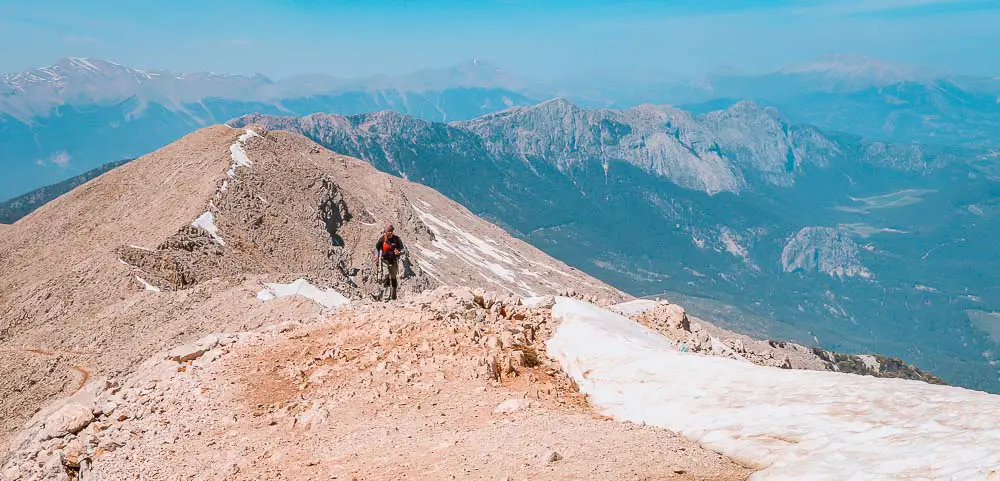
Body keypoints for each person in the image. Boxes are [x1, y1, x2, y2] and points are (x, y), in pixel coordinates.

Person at [373, 224, 404, 301]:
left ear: (392, 231)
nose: (388, 233)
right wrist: (376, 256)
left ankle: (393, 296)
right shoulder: (382, 239)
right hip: (384, 261)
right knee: (386, 276)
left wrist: (399, 252)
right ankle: (386, 298)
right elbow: (377, 248)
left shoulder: (397, 239)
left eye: (390, 231)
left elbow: (403, 250)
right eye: (387, 232)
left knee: (393, 278)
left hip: (393, 261)